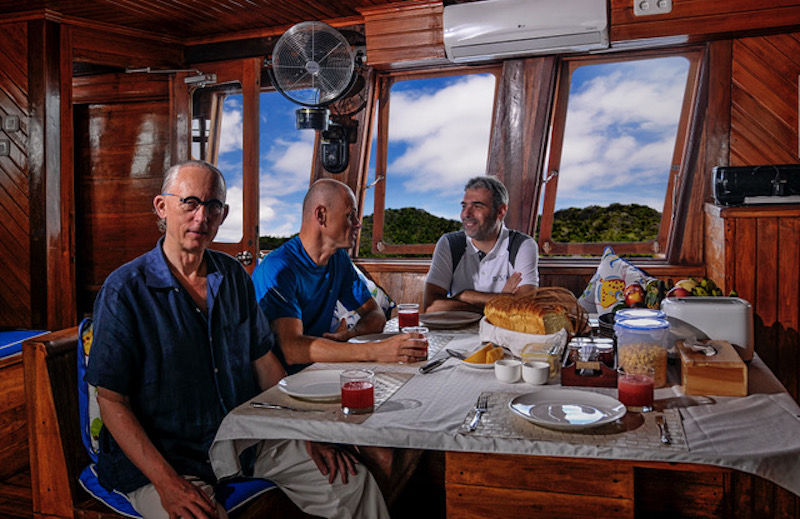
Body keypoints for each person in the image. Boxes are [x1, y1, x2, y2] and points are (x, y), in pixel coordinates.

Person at [86, 161, 388, 519]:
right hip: (166, 457)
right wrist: (167, 483)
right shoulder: (124, 291)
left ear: (223, 214)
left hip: (239, 438)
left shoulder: (231, 276)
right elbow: (111, 401)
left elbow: (265, 364)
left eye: (213, 206)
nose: (201, 217)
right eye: (190, 203)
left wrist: (306, 435)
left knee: (351, 482)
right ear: (161, 207)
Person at [252, 178, 426, 375]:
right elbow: (292, 349)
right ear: (321, 215)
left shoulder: (338, 260)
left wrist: (351, 334)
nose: (358, 224)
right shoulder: (278, 268)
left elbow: (374, 314)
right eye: (351, 215)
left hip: (320, 369)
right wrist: (377, 351)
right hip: (282, 380)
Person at [423, 175, 539, 313]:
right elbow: (431, 307)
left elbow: (524, 307)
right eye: (464, 206)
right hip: (458, 333)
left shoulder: (523, 245)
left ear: (501, 211)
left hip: (503, 333)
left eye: (477, 206)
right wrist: (503, 300)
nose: (466, 214)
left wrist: (465, 296)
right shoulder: (449, 243)